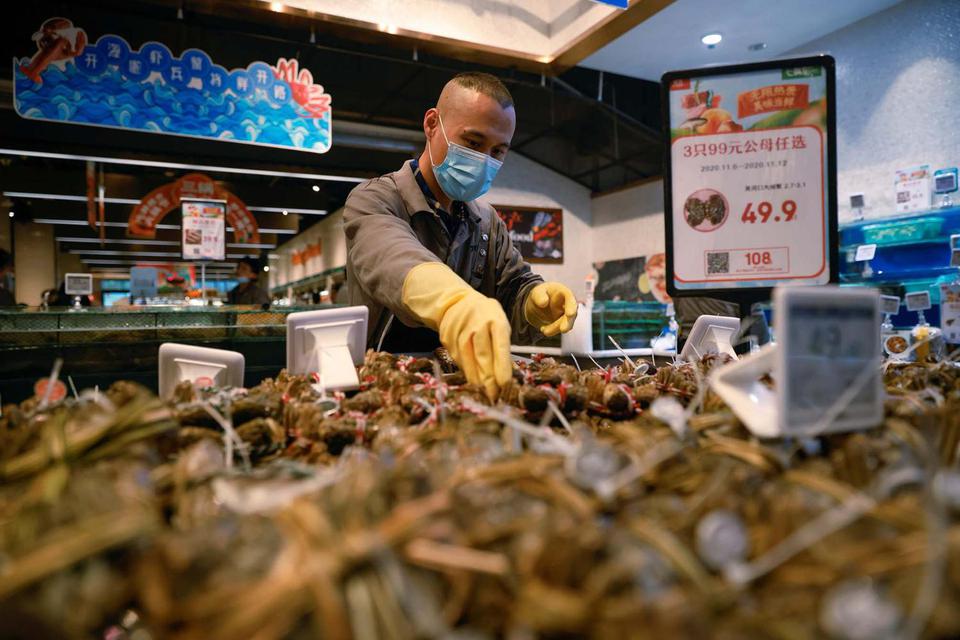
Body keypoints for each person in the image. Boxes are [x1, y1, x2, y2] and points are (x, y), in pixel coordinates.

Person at [344, 72, 578, 401]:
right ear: (431, 124)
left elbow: (512, 288)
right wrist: (456, 302)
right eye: (472, 143)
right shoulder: (374, 200)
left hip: (464, 393)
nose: (484, 160)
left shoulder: (487, 222)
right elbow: (392, 257)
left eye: (498, 151)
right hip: (382, 391)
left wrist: (534, 300)